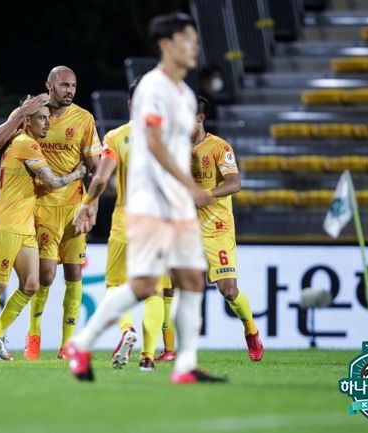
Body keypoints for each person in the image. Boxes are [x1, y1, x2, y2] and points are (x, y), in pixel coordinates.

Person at [66, 12, 227, 384]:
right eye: (188, 39)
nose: (195, 46)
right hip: (151, 203)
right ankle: (84, 342)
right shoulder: (153, 88)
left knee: (191, 281)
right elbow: (154, 143)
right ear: (167, 45)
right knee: (142, 286)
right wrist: (188, 186)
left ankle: (185, 366)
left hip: (177, 204)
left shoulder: (185, 94)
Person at [0, 66, 102, 360]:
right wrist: (18, 113)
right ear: (49, 85)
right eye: (64, 85)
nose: (70, 91)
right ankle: (33, 336)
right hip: (42, 206)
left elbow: (96, 168)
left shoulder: (84, 119)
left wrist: (92, 204)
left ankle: (67, 345)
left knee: (74, 273)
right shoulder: (31, 112)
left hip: (74, 207)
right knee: (47, 275)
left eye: (73, 86)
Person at [73, 77, 170, 373]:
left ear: (131, 104)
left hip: (125, 223)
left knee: (115, 285)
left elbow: (101, 178)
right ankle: (148, 356)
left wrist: (88, 203)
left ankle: (126, 328)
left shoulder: (116, 137)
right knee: (154, 291)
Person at [0, 105, 86, 361]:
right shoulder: (26, 143)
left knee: (31, 284)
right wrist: (78, 173)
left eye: (48, 119)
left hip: (25, 226)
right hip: (5, 223)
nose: (47, 124)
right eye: (42, 119)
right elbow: (53, 181)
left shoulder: (19, 140)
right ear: (27, 121)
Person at [189, 95, 264, 362]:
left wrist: (205, 194)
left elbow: (235, 184)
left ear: (199, 118)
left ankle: (251, 331)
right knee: (170, 287)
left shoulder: (220, 147)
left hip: (215, 227)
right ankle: (169, 349)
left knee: (229, 291)